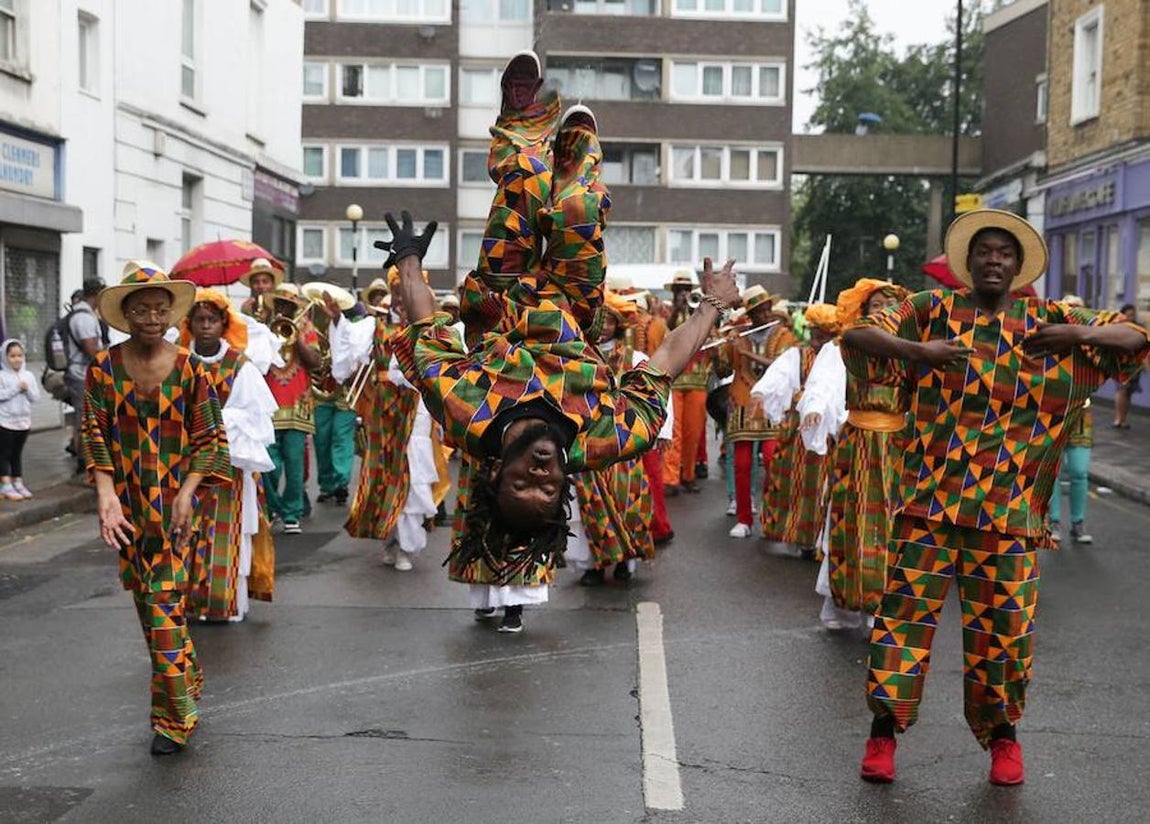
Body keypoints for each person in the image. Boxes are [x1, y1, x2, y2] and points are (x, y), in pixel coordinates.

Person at [385, 51, 741, 632]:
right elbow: (666, 362)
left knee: (524, 185)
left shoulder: (466, 413)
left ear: (495, 472)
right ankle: (576, 157)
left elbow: (427, 331)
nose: (543, 472)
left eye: (524, 480)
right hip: (572, 304)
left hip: (498, 298)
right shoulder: (603, 437)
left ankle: (520, 124)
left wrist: (408, 263)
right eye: (549, 488)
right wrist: (712, 304)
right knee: (578, 208)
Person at [842, 210, 1148, 786]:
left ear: (1017, 266)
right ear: (968, 260)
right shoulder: (929, 310)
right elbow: (856, 335)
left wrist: (1077, 334)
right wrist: (918, 353)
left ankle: (1004, 740)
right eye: (984, 250)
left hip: (1008, 514)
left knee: (1004, 633)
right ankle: (882, 736)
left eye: (1004, 253)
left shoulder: (1048, 317)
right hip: (927, 505)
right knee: (900, 623)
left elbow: (1134, 337)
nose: (993, 260)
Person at [82, 262, 230, 755]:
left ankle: (171, 722)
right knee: (149, 605)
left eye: (160, 308)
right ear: (125, 314)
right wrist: (106, 499)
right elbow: (94, 437)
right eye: (141, 308)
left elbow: (211, 438)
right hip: (127, 511)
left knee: (163, 601)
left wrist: (188, 492)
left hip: (177, 510)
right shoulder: (102, 368)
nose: (151, 316)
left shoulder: (191, 368)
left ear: (171, 314)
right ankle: (185, 678)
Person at [792, 279, 910, 630]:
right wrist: (814, 408)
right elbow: (823, 385)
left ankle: (883, 605)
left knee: (891, 524)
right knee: (849, 521)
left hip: (898, 446)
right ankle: (843, 603)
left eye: (890, 306)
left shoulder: (911, 349)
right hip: (857, 443)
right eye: (876, 306)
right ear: (863, 312)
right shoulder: (844, 347)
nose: (883, 312)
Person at [326, 271, 438, 572]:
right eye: (398, 291)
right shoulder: (373, 325)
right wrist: (337, 320)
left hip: (417, 407)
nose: (402, 298)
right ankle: (390, 536)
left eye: (409, 291)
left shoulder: (430, 327)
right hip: (382, 407)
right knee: (383, 473)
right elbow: (347, 355)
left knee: (412, 471)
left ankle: (407, 544)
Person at [181, 289, 278, 622]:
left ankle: (226, 603)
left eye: (212, 319)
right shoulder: (178, 359)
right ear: (190, 324)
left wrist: (216, 419)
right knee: (187, 533)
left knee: (228, 533)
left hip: (229, 464)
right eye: (199, 319)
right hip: (184, 462)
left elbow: (255, 417)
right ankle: (189, 602)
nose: (206, 326)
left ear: (223, 323)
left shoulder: (240, 365)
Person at [567, 293, 671, 586]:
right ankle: (594, 564)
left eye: (610, 322)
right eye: (599, 322)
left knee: (630, 501)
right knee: (590, 505)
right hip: (587, 441)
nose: (604, 328)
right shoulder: (577, 355)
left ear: (619, 325)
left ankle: (628, 560)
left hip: (624, 441)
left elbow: (657, 386)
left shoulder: (635, 358)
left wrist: (662, 430)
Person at [755, 304, 840, 554]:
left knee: (821, 485)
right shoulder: (797, 355)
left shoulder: (840, 358)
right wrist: (760, 392)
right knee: (790, 482)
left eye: (822, 333)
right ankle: (792, 532)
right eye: (814, 331)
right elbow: (778, 374)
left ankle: (816, 540)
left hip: (825, 431)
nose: (816, 338)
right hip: (795, 429)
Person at [718, 286, 797, 538]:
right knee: (741, 464)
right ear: (749, 315)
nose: (764, 315)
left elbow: (781, 366)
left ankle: (772, 519)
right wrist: (719, 347)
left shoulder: (784, 335)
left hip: (771, 404)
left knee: (773, 459)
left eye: (766, 310)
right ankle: (743, 519)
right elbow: (722, 370)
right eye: (758, 312)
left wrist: (747, 353)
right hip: (742, 402)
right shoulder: (739, 335)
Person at [259, 282, 323, 534]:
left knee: (295, 464)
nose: (284, 309)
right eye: (281, 304)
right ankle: (273, 507)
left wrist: (295, 338)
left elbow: (315, 362)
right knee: (269, 465)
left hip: (298, 406)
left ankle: (292, 513)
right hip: (269, 405)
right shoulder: (264, 329)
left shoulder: (306, 328)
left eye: (290, 305)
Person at [1048, 294, 1094, 545]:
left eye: (1078, 310)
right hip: (1054, 414)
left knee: (1079, 471)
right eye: (1069, 310)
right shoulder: (1052, 344)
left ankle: (1078, 522)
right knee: (1053, 472)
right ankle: (1053, 521)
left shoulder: (1091, 347)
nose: (1073, 315)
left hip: (1081, 416)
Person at [662, 271, 711, 496]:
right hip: (674, 379)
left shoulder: (700, 311)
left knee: (693, 433)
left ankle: (688, 475)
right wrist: (677, 310)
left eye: (686, 290)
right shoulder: (665, 312)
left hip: (698, 380)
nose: (683, 293)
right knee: (673, 431)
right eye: (678, 290)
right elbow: (665, 334)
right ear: (673, 293)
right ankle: (670, 478)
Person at [65, 278, 107, 467]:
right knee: (85, 418)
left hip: (82, 373)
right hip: (81, 374)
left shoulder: (84, 313)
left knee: (84, 417)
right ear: (96, 294)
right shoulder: (83, 317)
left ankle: (83, 457)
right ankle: (83, 461)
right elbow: (91, 350)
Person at [0, 339, 40, 500]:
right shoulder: (2, 376)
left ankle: (18, 482)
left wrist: (26, 389)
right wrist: (16, 388)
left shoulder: (28, 375)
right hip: (5, 422)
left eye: (19, 355)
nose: (16, 359)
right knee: (4, 454)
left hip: (23, 422)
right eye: (12, 356)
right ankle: (6, 484)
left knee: (17, 453)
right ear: (5, 357)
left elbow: (35, 397)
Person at [1112, 302, 1141, 428]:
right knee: (1122, 389)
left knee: (1129, 392)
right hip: (1122, 363)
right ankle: (1118, 418)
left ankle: (1123, 419)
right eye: (1129, 315)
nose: (1131, 318)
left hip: (1135, 364)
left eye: (1133, 315)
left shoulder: (1138, 328)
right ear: (1122, 315)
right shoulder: (1118, 327)